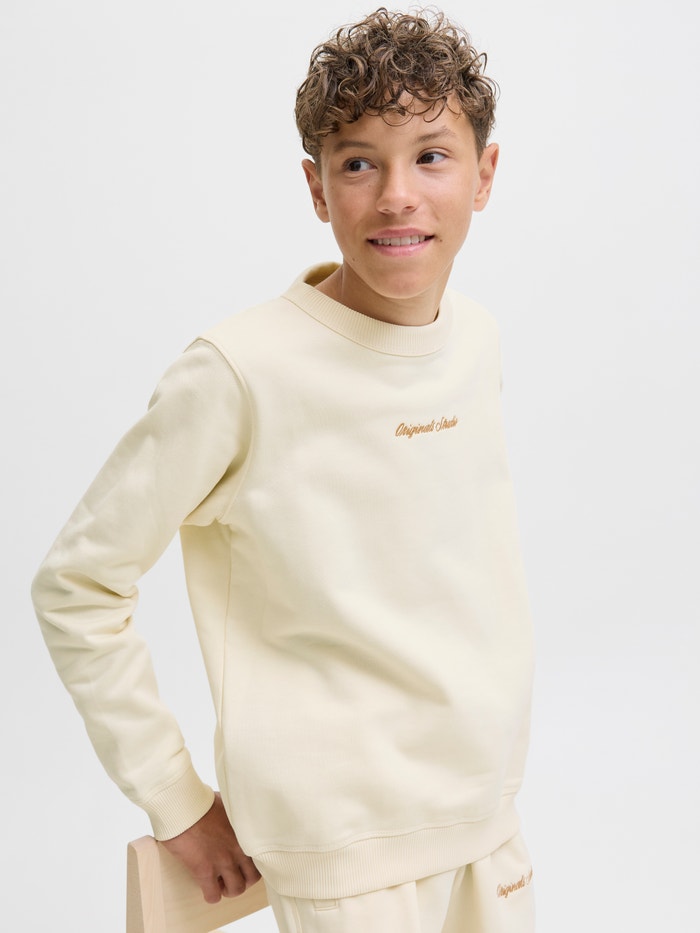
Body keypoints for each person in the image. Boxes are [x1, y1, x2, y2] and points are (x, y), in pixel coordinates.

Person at [32, 7, 536, 931]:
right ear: (316, 187)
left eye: (431, 156)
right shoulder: (238, 373)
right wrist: (176, 796)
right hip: (343, 859)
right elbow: (76, 584)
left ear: (485, 174)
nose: (397, 195)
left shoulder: (477, 340)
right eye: (359, 163)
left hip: (489, 826)